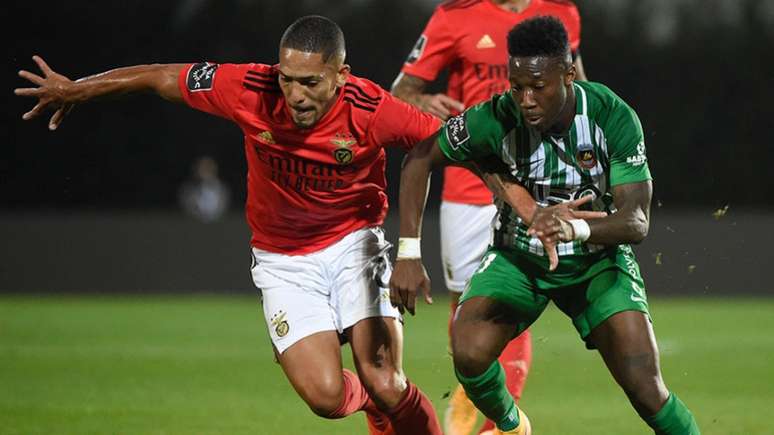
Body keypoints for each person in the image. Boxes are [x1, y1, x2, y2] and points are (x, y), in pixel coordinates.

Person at [15, 15, 443, 435]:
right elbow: (161, 76)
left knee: (386, 380)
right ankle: (370, 403)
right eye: (287, 79)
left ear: (341, 76)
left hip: (354, 243)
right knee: (326, 398)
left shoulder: (372, 109)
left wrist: (410, 248)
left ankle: (383, 400)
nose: (295, 94)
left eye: (310, 82)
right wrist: (78, 89)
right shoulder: (248, 88)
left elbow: (440, 142)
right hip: (283, 260)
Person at [389, 16, 701, 435]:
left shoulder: (612, 115)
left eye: (539, 86)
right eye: (517, 86)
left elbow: (635, 222)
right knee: (468, 350)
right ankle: (512, 425)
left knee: (647, 391)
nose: (526, 99)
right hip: (520, 259)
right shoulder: (497, 117)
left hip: (597, 263)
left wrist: (574, 230)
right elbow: (420, 158)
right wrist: (408, 252)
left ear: (569, 74)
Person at [391, 1, 586, 433]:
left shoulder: (561, 14)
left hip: (537, 180)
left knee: (515, 294)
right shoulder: (454, 16)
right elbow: (400, 90)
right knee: (466, 302)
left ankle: (500, 424)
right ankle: (472, 386)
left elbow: (579, 89)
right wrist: (425, 99)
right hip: (469, 182)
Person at [179, 156, 231, 222]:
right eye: (203, 167)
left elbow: (224, 211)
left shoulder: (223, 191)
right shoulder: (187, 191)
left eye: (208, 167)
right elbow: (187, 212)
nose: (206, 171)